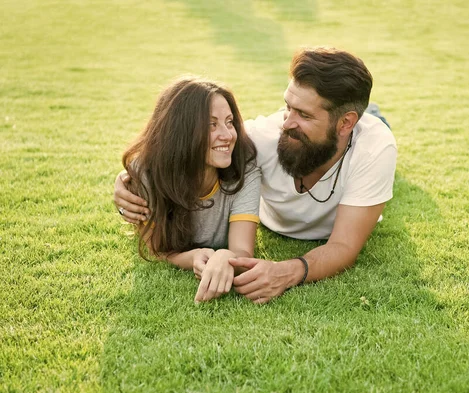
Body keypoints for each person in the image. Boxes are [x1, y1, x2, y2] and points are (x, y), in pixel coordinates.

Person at [114, 47, 397, 304]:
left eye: (304, 114)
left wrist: (284, 272)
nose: (287, 123)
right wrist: (130, 180)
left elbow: (344, 246)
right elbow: (186, 144)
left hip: (362, 145)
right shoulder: (258, 139)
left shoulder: (374, 148)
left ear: (347, 122)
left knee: (377, 130)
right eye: (288, 107)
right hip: (283, 213)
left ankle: (373, 114)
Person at [120, 76, 261, 303]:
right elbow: (156, 248)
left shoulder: (245, 171)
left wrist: (226, 256)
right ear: (182, 132)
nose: (227, 135)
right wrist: (192, 257)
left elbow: (243, 251)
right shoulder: (146, 174)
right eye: (211, 125)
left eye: (229, 122)